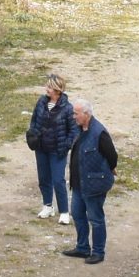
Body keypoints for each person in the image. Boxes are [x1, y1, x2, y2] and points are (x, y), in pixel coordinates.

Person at [61, 99, 117, 264]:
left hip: (94, 185)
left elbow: (112, 155)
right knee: (77, 214)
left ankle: (98, 252)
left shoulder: (99, 133)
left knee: (95, 218)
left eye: (76, 113)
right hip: (79, 184)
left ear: (86, 114)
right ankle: (82, 248)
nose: (73, 117)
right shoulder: (79, 129)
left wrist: (110, 168)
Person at [27, 73, 76, 224]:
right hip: (41, 148)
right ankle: (47, 206)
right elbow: (34, 120)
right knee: (43, 178)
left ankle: (64, 211)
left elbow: (74, 131)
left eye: (49, 86)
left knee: (58, 180)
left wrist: (66, 145)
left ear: (57, 89)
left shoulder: (67, 108)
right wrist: (33, 135)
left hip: (57, 150)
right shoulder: (41, 102)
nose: (46, 89)